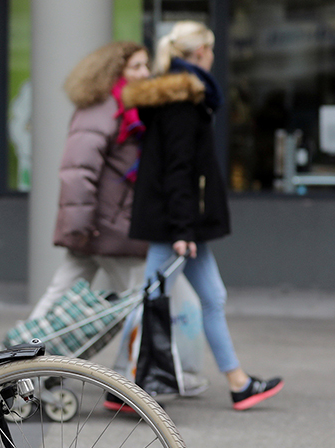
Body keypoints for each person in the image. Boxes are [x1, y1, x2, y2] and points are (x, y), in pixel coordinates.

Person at [118, 20, 283, 411]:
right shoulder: (181, 101)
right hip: (175, 224)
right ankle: (122, 385)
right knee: (151, 300)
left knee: (212, 297)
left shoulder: (181, 96)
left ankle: (238, 382)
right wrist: (182, 228)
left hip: (180, 222)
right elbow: (178, 170)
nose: (212, 57)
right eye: (210, 50)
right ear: (200, 54)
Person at [29, 41, 151, 322]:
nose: (146, 73)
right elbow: (77, 171)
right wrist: (79, 225)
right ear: (113, 71)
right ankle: (139, 366)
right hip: (106, 225)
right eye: (137, 66)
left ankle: (17, 355)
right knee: (140, 303)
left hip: (100, 225)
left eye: (147, 65)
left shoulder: (125, 106)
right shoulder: (105, 108)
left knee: (58, 296)